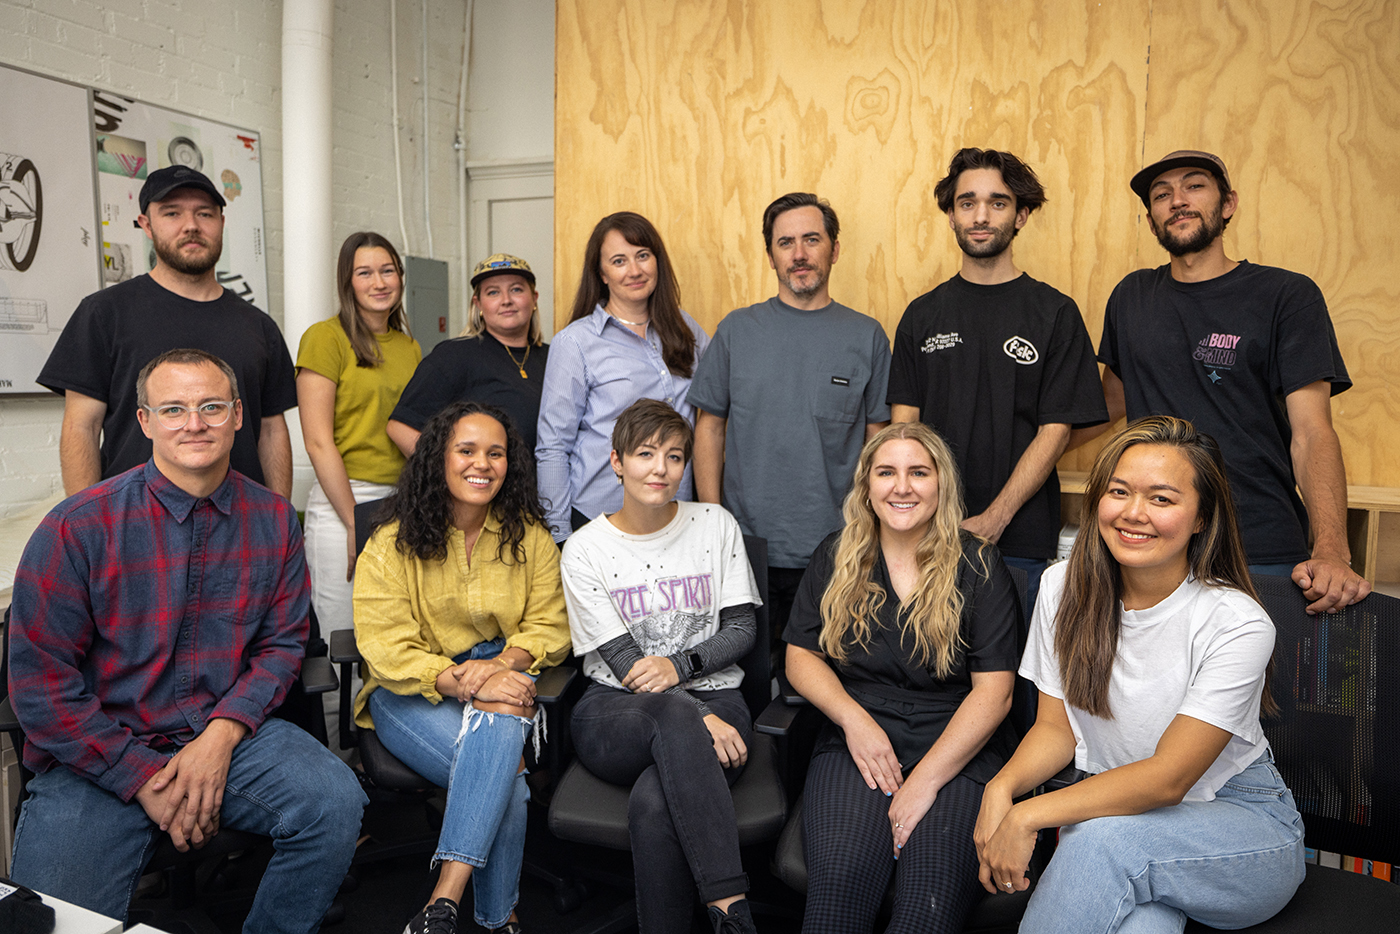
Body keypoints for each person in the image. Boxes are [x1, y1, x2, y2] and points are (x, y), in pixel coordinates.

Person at [8, 348, 366, 933]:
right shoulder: (77, 528)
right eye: (173, 409)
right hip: (99, 751)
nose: (194, 423)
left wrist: (221, 737)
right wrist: (141, 776)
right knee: (51, 921)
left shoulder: (274, 521)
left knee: (334, 801)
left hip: (224, 732)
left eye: (211, 407)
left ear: (238, 416)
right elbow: (41, 689)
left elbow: (281, 647)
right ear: (145, 421)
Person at [975, 416, 1305, 932]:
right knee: (1136, 917)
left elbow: (1169, 778)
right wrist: (1001, 788)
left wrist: (1026, 814)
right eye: (1119, 491)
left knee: (1101, 840)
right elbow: (1055, 731)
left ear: (1201, 518)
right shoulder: (1062, 588)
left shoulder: (1235, 621)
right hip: (1128, 826)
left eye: (1162, 499)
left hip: (1242, 828)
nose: (1133, 513)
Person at [1090, 149, 1367, 615]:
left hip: (1258, 547)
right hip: (1158, 545)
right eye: (1162, 194)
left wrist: (1332, 550)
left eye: (1194, 186)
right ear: (1151, 217)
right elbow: (1106, 403)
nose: (1177, 200)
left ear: (1228, 203)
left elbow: (1312, 433)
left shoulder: (1286, 295)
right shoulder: (1131, 297)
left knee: (1261, 689)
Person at [784, 422, 1021, 934]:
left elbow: (995, 694)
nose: (903, 486)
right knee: (836, 898)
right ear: (867, 486)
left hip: (959, 746)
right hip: (860, 740)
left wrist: (924, 782)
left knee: (926, 908)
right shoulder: (836, 554)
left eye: (919, 472)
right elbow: (800, 655)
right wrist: (854, 722)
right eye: (886, 472)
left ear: (942, 484)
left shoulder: (979, 564)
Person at [352, 401, 570, 934]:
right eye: (467, 450)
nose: (483, 463)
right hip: (408, 692)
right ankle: (498, 918)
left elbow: (551, 626)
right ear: (438, 460)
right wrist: (468, 681)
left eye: (496, 453)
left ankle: (442, 905)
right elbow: (386, 648)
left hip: (504, 680)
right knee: (509, 778)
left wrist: (500, 664)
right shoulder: (390, 542)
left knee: (504, 772)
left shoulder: (531, 537)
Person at [560, 399, 763, 934]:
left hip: (721, 701)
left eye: (675, 457)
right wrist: (698, 717)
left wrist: (681, 667)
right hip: (613, 712)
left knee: (655, 801)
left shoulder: (714, 523)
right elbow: (628, 667)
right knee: (673, 721)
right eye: (646, 454)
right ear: (617, 462)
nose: (661, 468)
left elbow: (742, 630)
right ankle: (733, 911)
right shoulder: (585, 550)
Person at [888, 149, 1106, 612]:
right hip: (928, 537)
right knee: (937, 679)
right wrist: (916, 519)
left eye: (998, 202)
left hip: (1019, 539)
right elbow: (903, 433)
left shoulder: (1055, 314)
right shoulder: (922, 315)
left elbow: (1057, 429)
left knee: (1016, 679)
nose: (981, 216)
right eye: (967, 203)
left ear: (1022, 214)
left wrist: (995, 518)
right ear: (950, 215)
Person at [689, 192, 891, 642]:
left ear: (834, 249)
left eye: (811, 240)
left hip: (838, 545)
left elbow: (879, 440)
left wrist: (870, 530)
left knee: (825, 679)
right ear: (770, 255)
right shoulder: (736, 331)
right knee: (750, 679)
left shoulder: (867, 336)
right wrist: (712, 521)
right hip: (745, 547)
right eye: (785, 243)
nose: (799, 255)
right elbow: (709, 428)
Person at [38, 164, 297, 498]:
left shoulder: (259, 327)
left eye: (204, 214)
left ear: (221, 221)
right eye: (172, 213)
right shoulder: (104, 314)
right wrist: (88, 529)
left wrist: (279, 520)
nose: (191, 226)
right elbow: (80, 428)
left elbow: (272, 432)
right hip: (134, 524)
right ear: (146, 224)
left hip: (240, 527)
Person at [536, 212, 709, 540]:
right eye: (619, 261)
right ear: (601, 273)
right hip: (598, 518)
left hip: (675, 516)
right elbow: (553, 446)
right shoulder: (575, 343)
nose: (634, 270)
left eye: (643, 256)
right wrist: (558, 535)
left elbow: (718, 411)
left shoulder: (687, 330)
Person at [296, 231, 421, 647]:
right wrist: (355, 521)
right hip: (344, 500)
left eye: (387, 271)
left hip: (402, 501)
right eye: (364, 273)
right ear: (347, 282)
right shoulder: (325, 338)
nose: (379, 282)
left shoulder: (410, 347)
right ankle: (336, 717)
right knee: (342, 635)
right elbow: (317, 442)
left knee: (394, 633)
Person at [388, 253, 549, 456]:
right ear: (478, 304)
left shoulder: (557, 358)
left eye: (516, 289)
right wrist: (448, 476)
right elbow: (400, 427)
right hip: (486, 487)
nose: (506, 300)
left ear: (534, 298)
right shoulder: (454, 356)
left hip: (549, 487)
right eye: (493, 293)